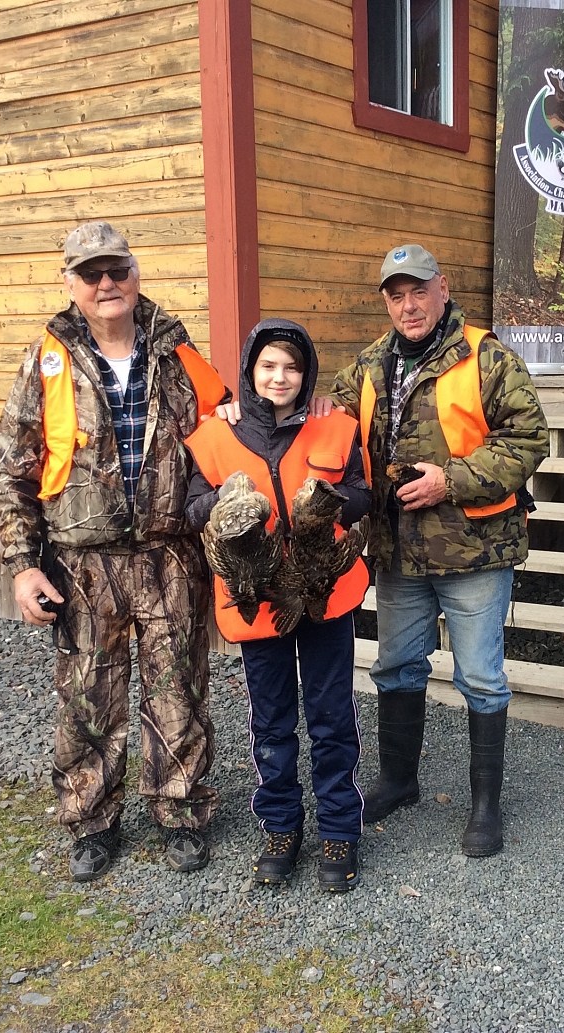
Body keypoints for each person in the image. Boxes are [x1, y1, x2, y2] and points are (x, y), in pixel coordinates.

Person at [0, 221, 230, 882]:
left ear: (135, 272)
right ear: (70, 283)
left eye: (116, 270)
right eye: (90, 273)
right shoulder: (46, 361)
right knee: (88, 697)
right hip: (82, 563)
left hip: (170, 556)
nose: (106, 284)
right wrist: (23, 566)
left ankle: (180, 810)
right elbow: (9, 470)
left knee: (179, 690)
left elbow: (226, 431)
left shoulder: (179, 352)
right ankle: (92, 822)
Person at [334, 244, 548, 857]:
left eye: (419, 291)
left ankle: (485, 806)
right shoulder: (366, 368)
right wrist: (250, 408)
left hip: (474, 550)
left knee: (480, 677)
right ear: (386, 302)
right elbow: (327, 427)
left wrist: (448, 481)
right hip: (398, 553)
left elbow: (528, 440)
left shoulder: (488, 357)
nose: (409, 305)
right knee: (396, 667)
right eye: (396, 295)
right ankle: (399, 781)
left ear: (443, 289)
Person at [185, 319, 371, 891]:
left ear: (307, 374)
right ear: (249, 371)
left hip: (323, 595)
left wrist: (329, 505)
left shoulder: (335, 425)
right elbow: (192, 508)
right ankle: (281, 826)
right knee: (271, 721)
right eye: (267, 366)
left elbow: (363, 493)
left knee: (331, 715)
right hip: (257, 597)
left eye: (292, 367)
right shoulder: (215, 435)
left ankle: (339, 828)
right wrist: (227, 502)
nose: (279, 377)